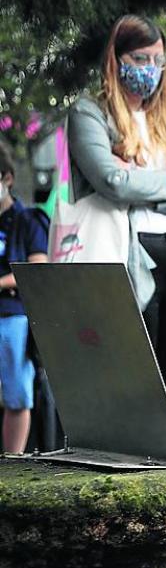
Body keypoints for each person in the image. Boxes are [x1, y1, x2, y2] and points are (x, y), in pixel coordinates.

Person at [66, 14, 166, 402]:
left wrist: (139, 181)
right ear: (117, 59)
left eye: (158, 60)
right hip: (128, 255)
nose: (151, 70)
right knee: (133, 377)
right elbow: (110, 181)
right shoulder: (90, 114)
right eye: (141, 59)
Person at [0, 140, 48, 453]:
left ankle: (12, 462)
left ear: (7, 178)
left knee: (17, 395)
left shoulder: (28, 219)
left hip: (13, 316)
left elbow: (37, 270)